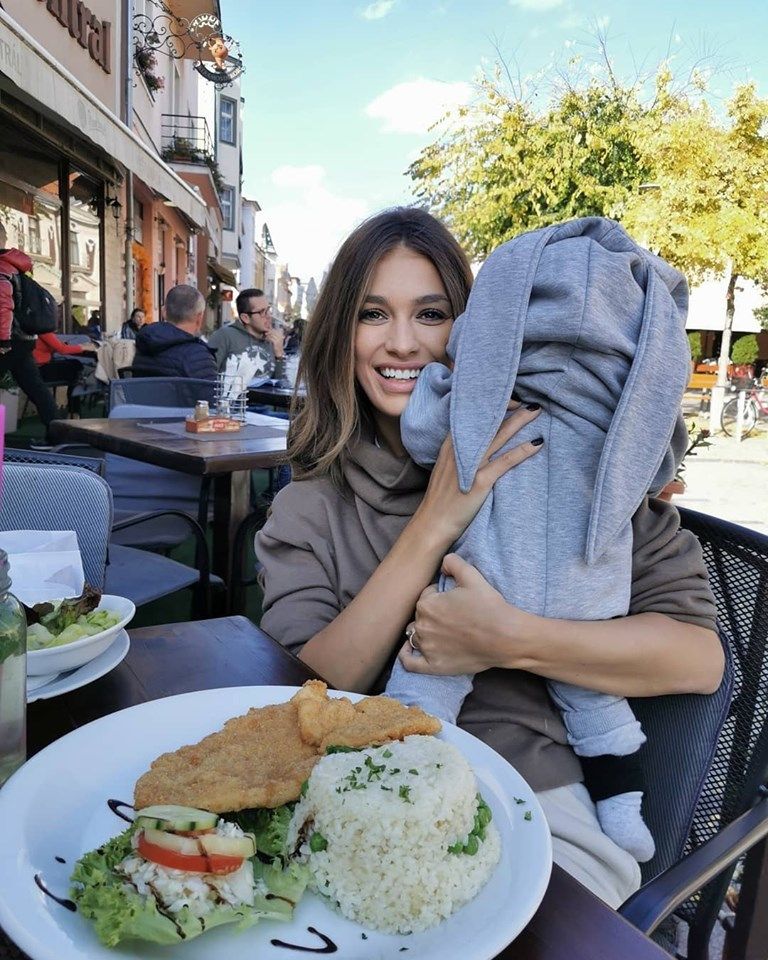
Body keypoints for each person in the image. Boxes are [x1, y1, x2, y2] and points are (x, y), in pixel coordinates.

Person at [254, 207, 724, 908]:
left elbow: (698, 658)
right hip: (354, 793)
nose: (404, 343)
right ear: (340, 335)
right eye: (374, 314)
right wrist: (434, 523)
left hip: (532, 798)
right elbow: (306, 690)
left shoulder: (573, 460)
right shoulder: (314, 504)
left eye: (432, 313)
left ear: (481, 328)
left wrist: (508, 639)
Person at [0, 220, 58, 437]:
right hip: (23, 339)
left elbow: (2, 306)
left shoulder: (2, 267)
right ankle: (58, 434)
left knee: (35, 387)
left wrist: (3, 342)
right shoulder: (15, 267)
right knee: (36, 388)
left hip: (9, 341)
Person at [135, 284, 216, 383]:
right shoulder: (198, 356)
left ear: (164, 312)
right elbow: (210, 397)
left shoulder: (144, 345)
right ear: (199, 317)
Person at [207, 288, 286, 379]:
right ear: (245, 318)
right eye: (262, 312)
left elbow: (280, 385)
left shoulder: (272, 340)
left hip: (266, 393)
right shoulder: (224, 336)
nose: (268, 316)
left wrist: (279, 355)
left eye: (268, 310)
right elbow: (207, 376)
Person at [32, 329, 98, 417]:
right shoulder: (43, 331)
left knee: (74, 369)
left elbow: (57, 346)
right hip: (41, 370)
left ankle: (73, 411)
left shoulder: (38, 330)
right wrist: (84, 347)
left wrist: (80, 346)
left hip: (37, 369)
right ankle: (74, 411)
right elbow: (62, 350)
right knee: (75, 368)